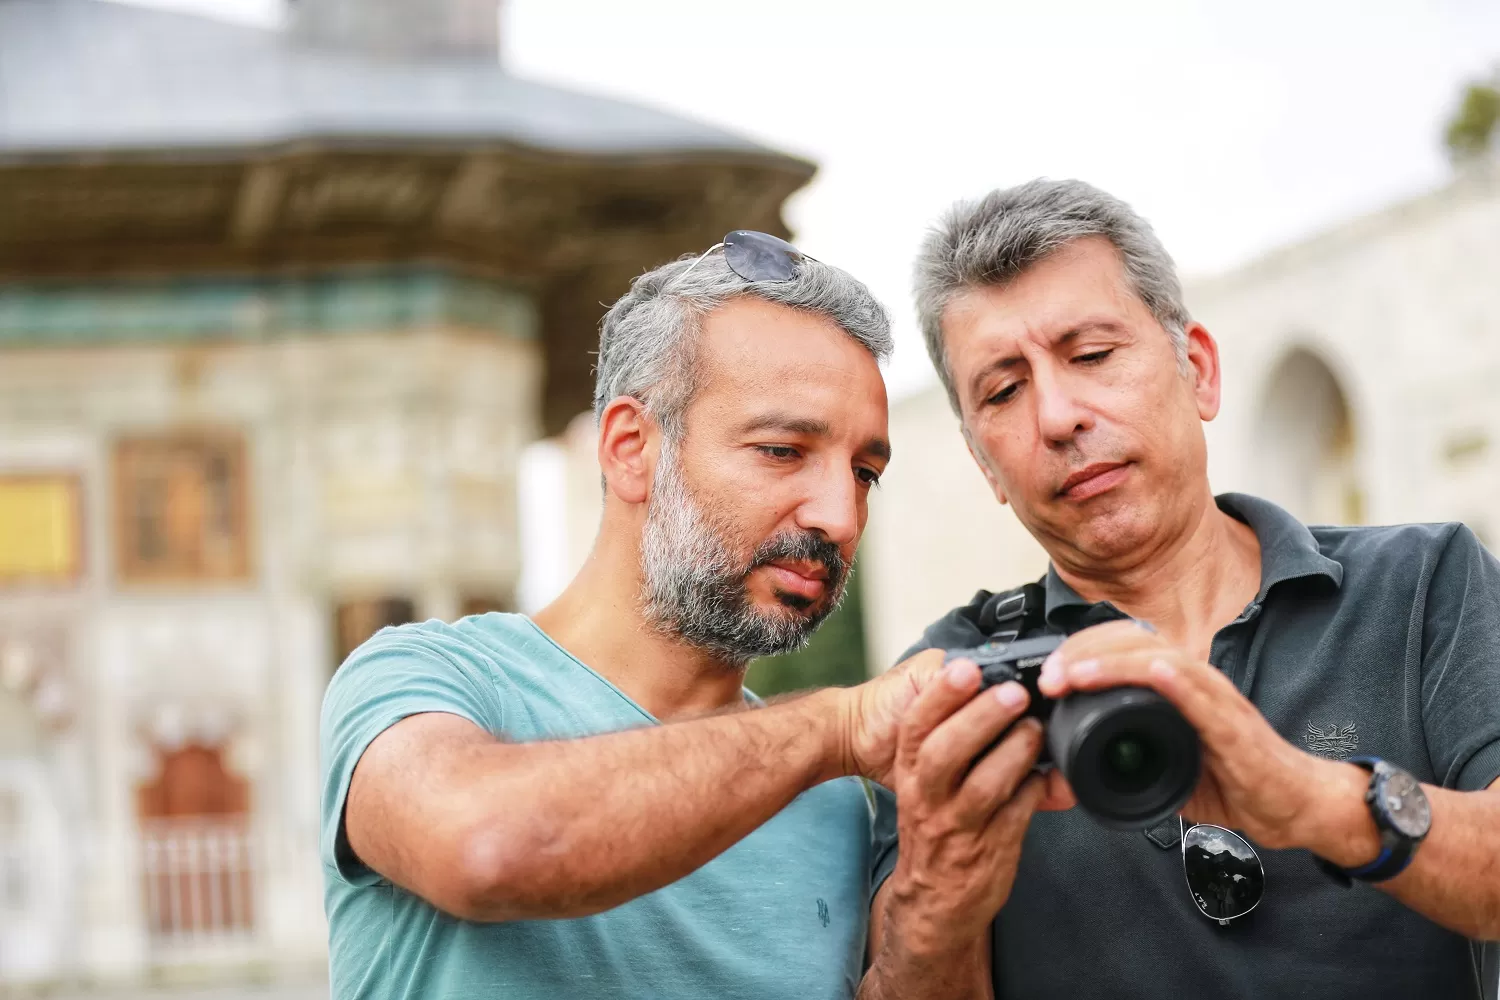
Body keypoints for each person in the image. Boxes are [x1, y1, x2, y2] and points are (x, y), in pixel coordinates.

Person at [318, 231, 1061, 999]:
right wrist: (833, 729)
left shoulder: (839, 805)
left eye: (865, 472)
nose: (841, 515)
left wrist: (941, 906)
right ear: (632, 448)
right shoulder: (423, 680)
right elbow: (485, 847)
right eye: (781, 450)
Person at [878, 179, 1500, 998]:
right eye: (1003, 390)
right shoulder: (951, 685)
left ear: (1198, 370)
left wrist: (1315, 801)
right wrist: (936, 902)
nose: (1058, 415)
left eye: (1092, 354)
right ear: (982, 463)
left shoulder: (1424, 583)